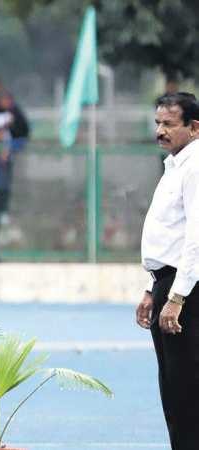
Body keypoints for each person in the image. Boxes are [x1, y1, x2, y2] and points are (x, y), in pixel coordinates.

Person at [136, 92, 199, 450]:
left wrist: (177, 297)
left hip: (186, 288)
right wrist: (152, 288)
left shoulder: (195, 166)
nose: (160, 130)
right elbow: (170, 236)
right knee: (173, 389)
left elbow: (196, 238)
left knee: (187, 389)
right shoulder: (174, 165)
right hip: (167, 283)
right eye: (158, 122)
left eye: (169, 124)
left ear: (194, 128)